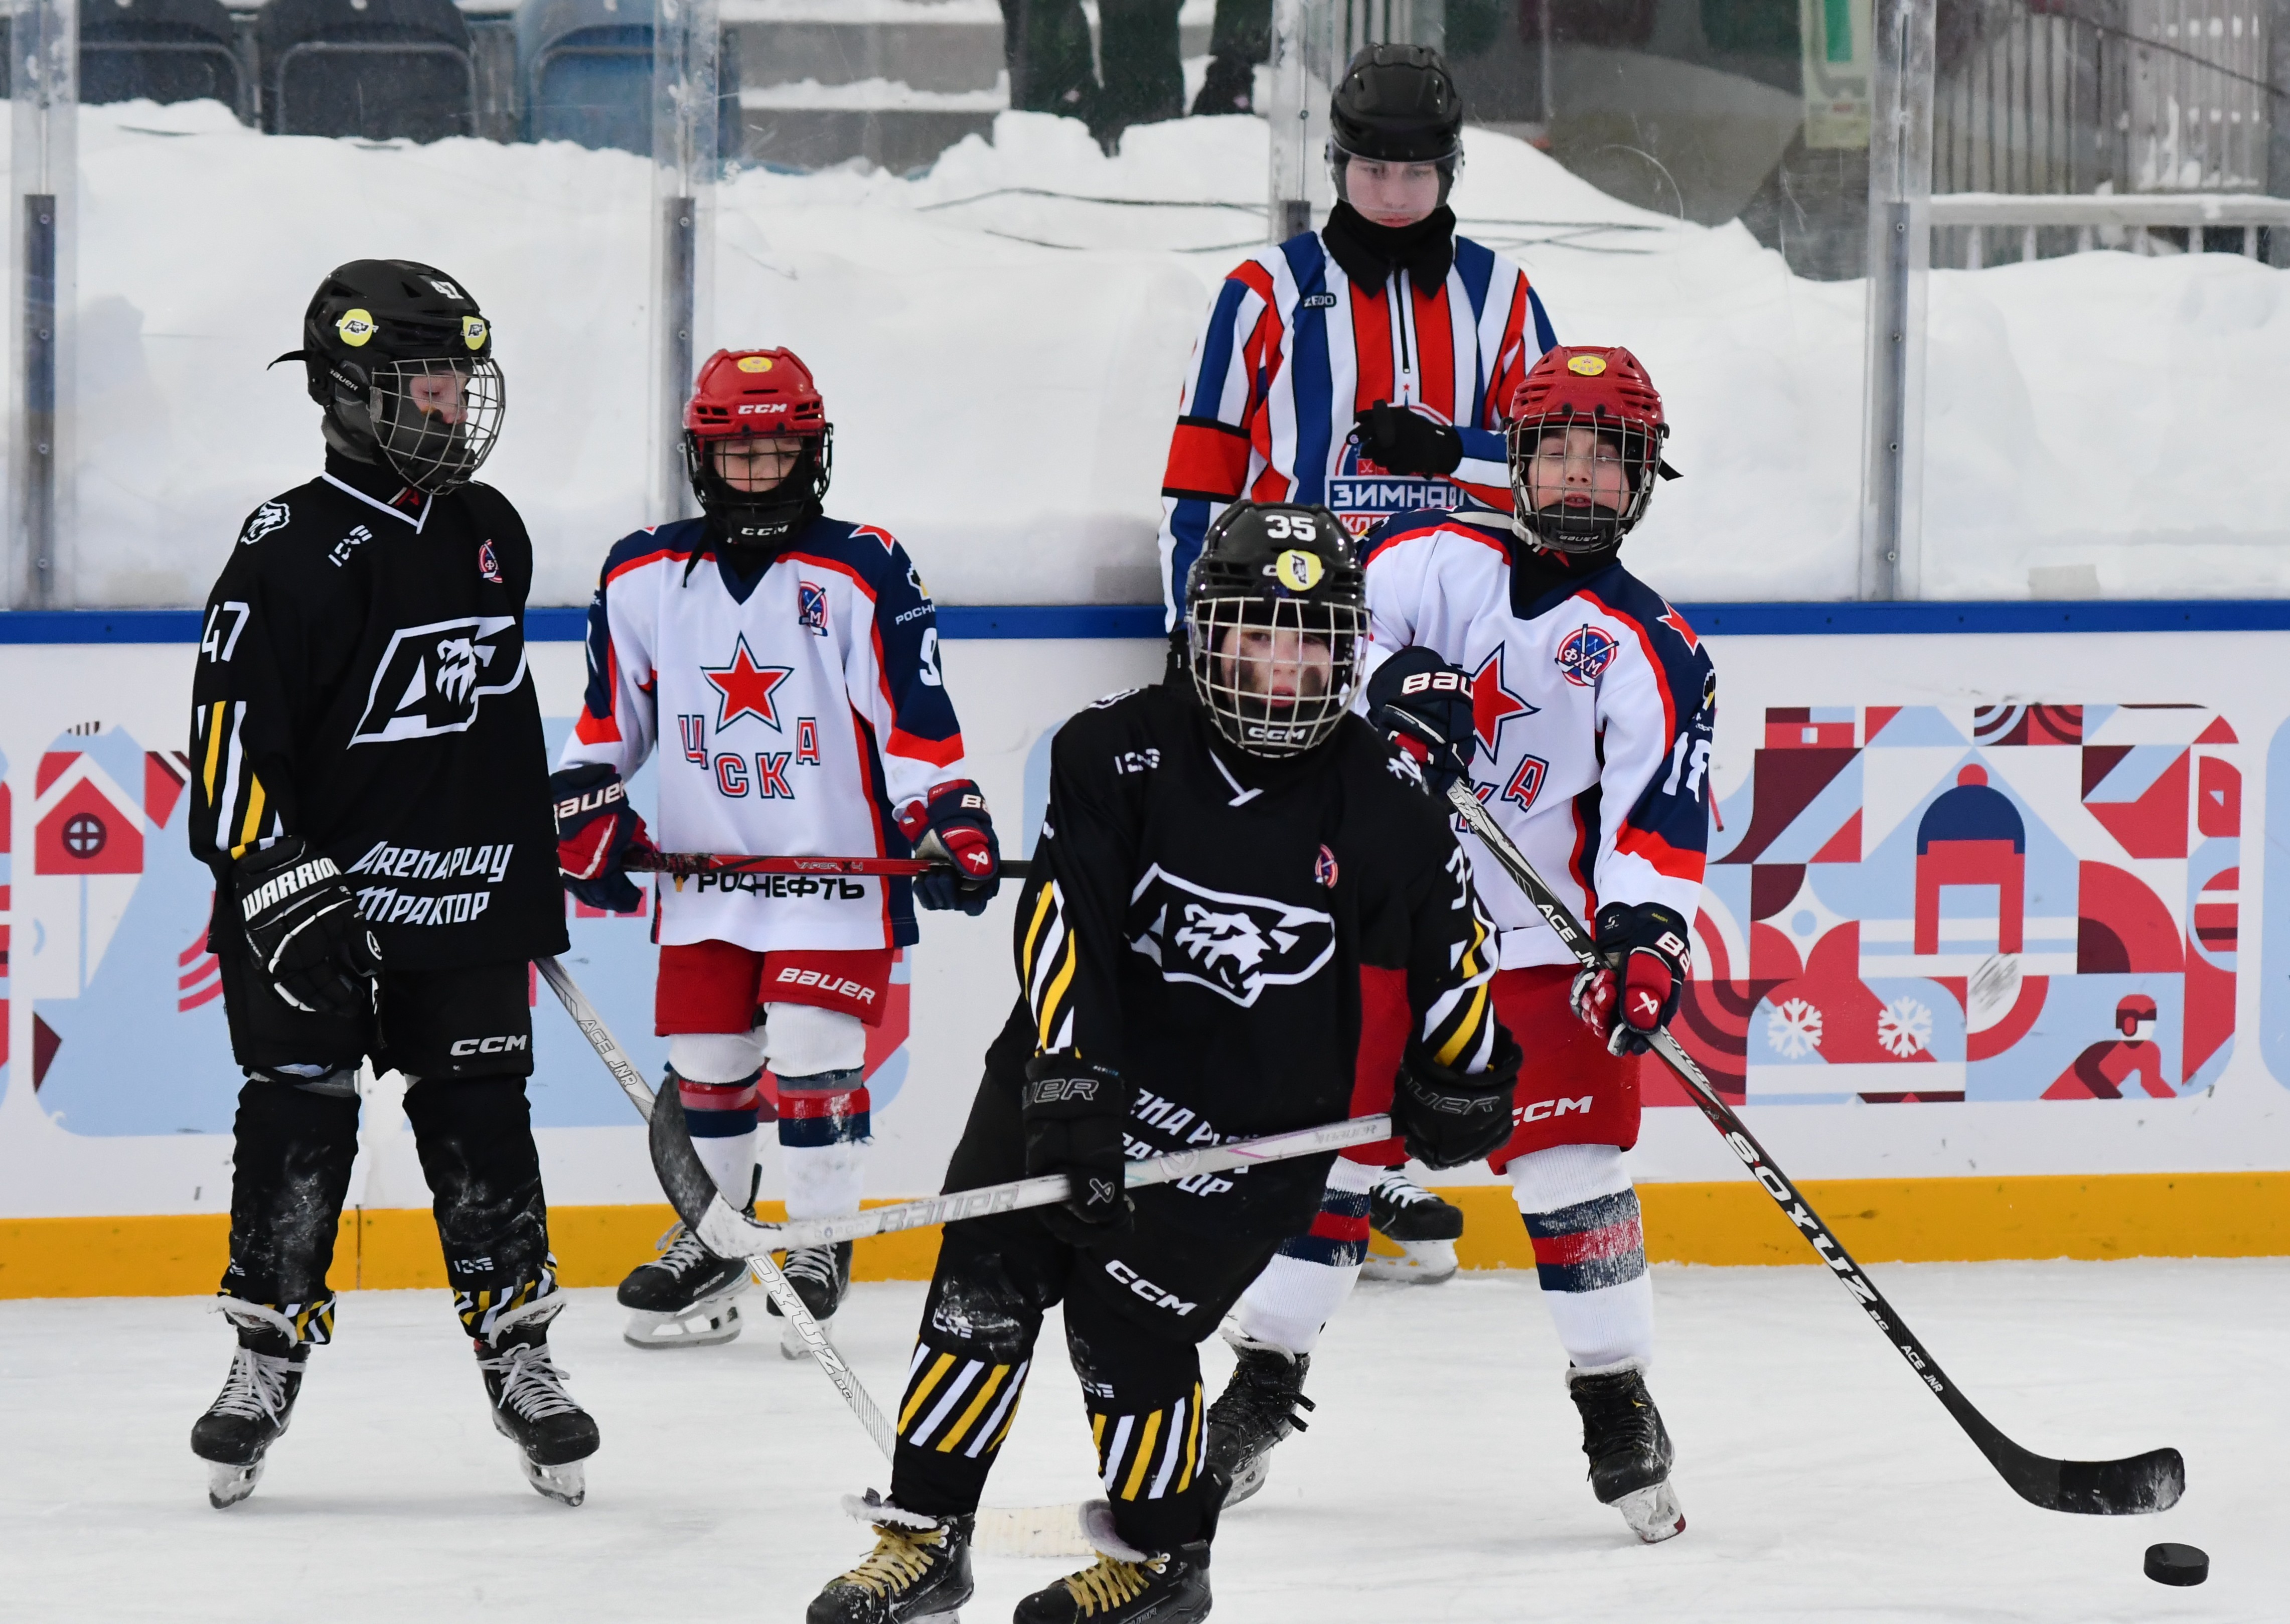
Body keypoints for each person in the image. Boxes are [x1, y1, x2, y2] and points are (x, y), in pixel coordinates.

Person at [806, 502, 1520, 1624]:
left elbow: (1455, 951)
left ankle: (1160, 1559)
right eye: (1256, 633)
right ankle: (925, 1535)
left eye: (1311, 639)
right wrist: (1075, 1090)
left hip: (1252, 1119)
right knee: (980, 1291)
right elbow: (1062, 923)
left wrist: (1467, 1074)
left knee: (1128, 1323)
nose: (1281, 666)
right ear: (1205, 633)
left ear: (1345, 651)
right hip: (1068, 1071)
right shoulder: (1113, 749)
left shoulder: (1387, 797)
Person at [1206, 345, 1715, 1546]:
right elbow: (1318, 635)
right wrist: (1389, 684)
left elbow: (1661, 816)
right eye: (1558, 448)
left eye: (1611, 456)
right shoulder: (1427, 559)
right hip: (1389, 925)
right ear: (1520, 459)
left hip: (1542, 947)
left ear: (1645, 480)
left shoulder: (1655, 643)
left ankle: (1614, 1395)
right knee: (1329, 1158)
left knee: (1570, 1168)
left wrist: (1646, 936)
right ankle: (1265, 1381)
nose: (1582, 475)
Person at [186, 260, 595, 1510]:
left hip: (464, 897)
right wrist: (275, 875)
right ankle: (264, 1354)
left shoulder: (491, 529)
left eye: (461, 376)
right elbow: (225, 739)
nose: (453, 400)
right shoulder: (285, 546)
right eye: (428, 377)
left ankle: (520, 1351)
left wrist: (545, 826)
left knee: (482, 1114)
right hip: (318, 905)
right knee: (301, 1110)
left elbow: (491, 710)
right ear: (350, 391)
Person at [556, 347, 1000, 1356]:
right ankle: (715, 1236)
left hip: (832, 875)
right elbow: (601, 732)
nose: (761, 472)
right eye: (738, 454)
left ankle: (817, 1239)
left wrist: (947, 814)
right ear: (702, 458)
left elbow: (914, 720)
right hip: (707, 881)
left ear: (814, 451)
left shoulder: (863, 564)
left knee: (811, 1052)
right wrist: (584, 806)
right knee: (707, 1066)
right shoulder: (641, 573)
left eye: (780, 452)